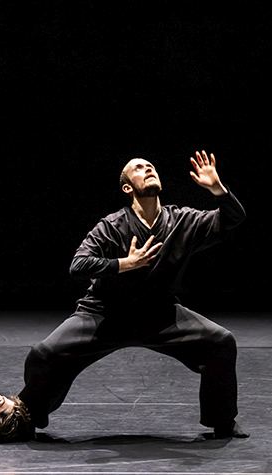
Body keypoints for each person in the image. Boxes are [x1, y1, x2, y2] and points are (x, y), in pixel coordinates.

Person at [19, 150, 249, 439]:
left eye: (151, 166)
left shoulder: (182, 220)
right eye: (139, 168)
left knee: (221, 342)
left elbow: (233, 218)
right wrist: (124, 264)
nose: (148, 169)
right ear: (128, 188)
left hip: (159, 315)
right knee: (43, 354)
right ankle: (27, 417)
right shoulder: (111, 226)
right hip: (104, 315)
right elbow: (78, 265)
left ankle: (222, 421)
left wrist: (218, 189)